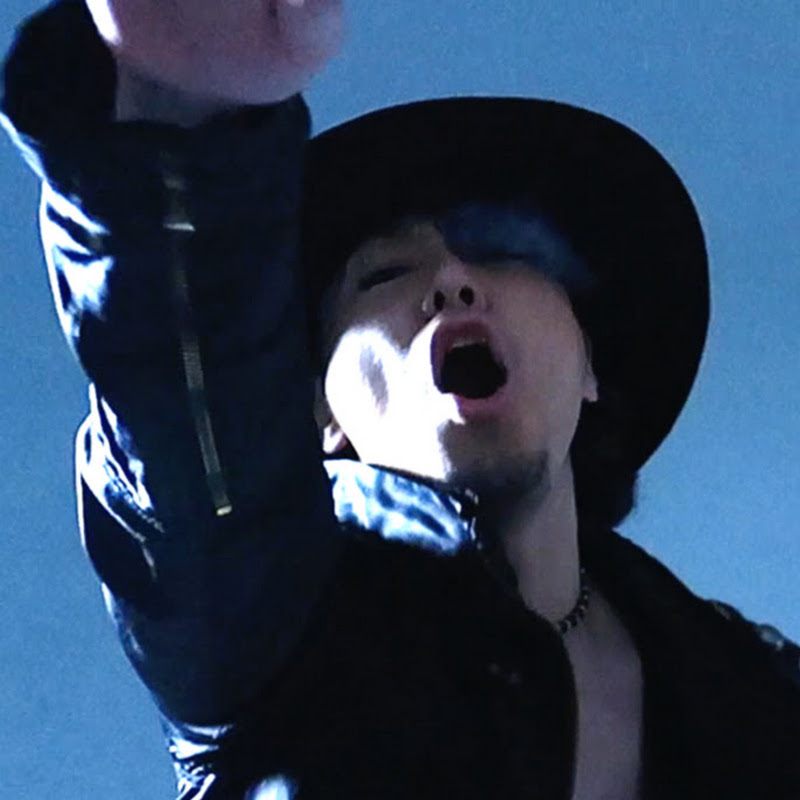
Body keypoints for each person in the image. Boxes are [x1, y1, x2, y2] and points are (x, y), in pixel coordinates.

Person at [3, 1, 799, 798]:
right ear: (321, 418)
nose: (452, 281)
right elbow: (185, 406)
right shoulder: (271, 627)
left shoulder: (755, 697)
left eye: (504, 252)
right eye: (384, 275)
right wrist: (173, 113)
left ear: (592, 368)